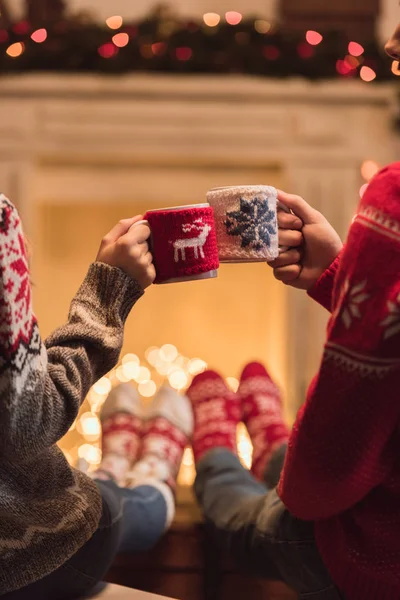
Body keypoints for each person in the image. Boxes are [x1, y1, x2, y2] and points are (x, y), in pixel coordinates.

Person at [187, 24, 400, 600]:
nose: (394, 46)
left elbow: (320, 477)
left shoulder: (396, 202)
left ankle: (213, 445)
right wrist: (343, 278)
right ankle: (272, 435)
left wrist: (290, 490)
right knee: (287, 459)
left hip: (376, 555)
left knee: (239, 514)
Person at [0, 196, 192, 600]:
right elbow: (29, 419)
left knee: (93, 487)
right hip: (33, 560)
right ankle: (156, 478)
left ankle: (113, 465)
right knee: (116, 509)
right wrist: (109, 290)